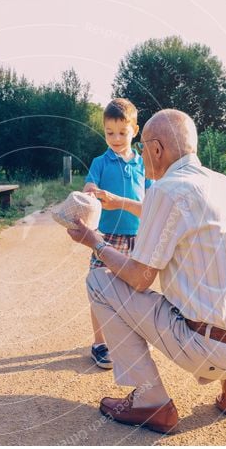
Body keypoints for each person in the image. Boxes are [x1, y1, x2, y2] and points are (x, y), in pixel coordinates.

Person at [67, 109, 226, 434]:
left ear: (156, 149)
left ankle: (151, 402)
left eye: (144, 147)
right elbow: (171, 212)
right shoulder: (222, 184)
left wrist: (94, 241)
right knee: (219, 282)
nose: (142, 155)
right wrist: (121, 201)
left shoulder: (166, 189)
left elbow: (139, 277)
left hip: (211, 350)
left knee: (99, 282)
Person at [82, 98, 151, 369]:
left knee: (134, 289)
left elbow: (151, 199)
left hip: (137, 237)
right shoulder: (101, 161)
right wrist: (89, 190)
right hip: (106, 237)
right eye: (110, 133)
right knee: (99, 287)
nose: (116, 138)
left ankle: (130, 339)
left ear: (135, 130)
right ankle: (100, 343)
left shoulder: (143, 164)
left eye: (122, 132)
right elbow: (90, 182)